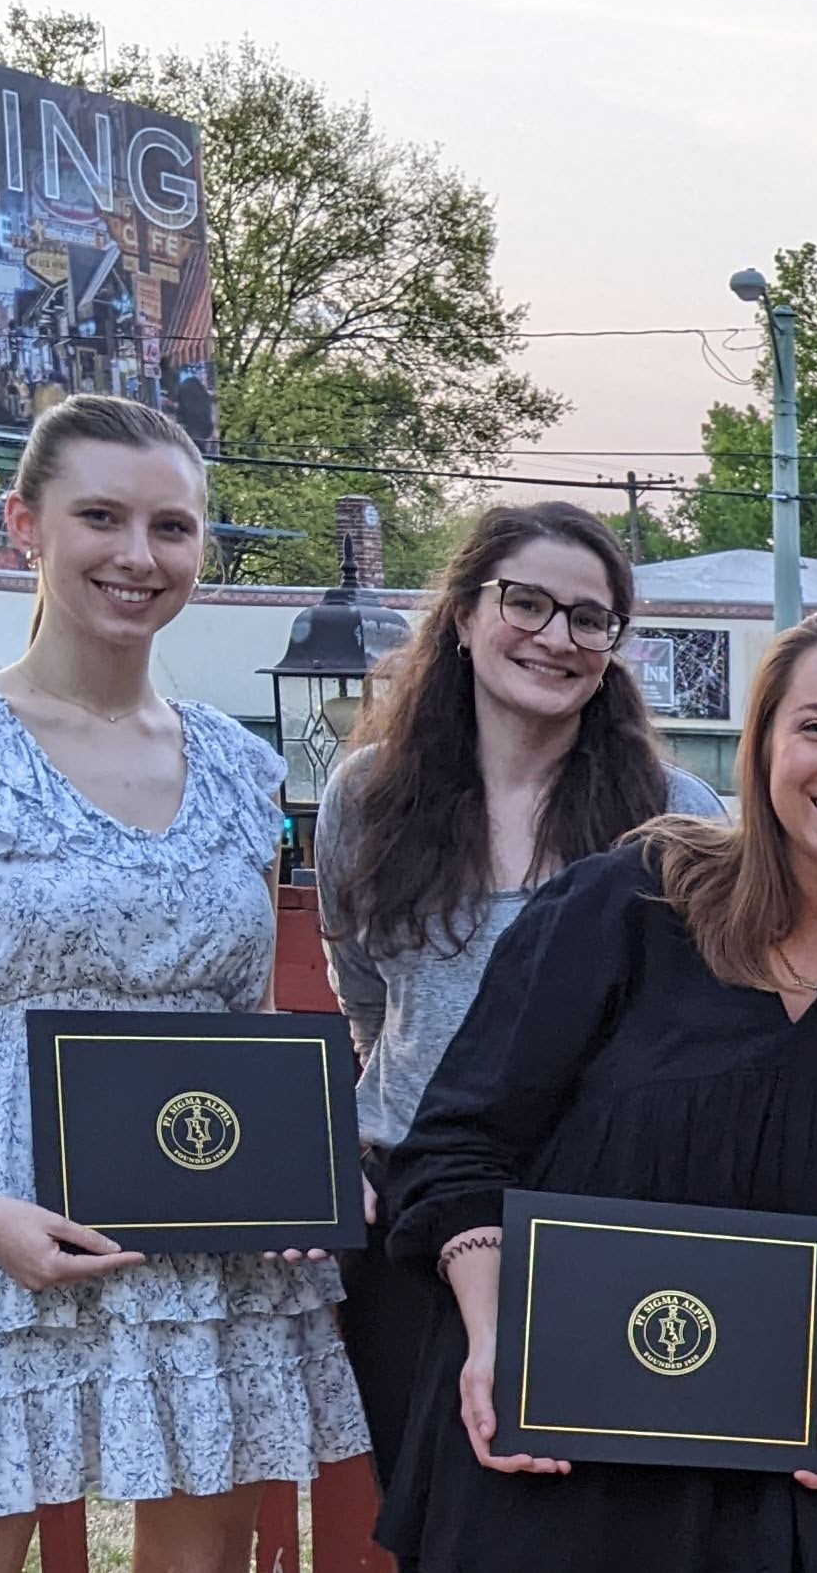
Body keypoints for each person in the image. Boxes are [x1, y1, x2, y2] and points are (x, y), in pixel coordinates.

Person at [0, 395, 365, 1572]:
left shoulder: (239, 763)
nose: (138, 556)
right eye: (100, 517)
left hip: (208, 1230)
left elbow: (247, 1016)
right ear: (26, 526)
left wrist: (295, 1187)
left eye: (173, 527)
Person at [374, 605, 817, 1573]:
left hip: (774, 1449)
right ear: (764, 745)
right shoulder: (632, 903)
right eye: (816, 727)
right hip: (557, 1435)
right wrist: (497, 1343)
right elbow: (459, 1149)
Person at [311, 501, 724, 1514]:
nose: (555, 637)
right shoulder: (366, 797)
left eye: (589, 618)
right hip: (410, 1230)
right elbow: (366, 994)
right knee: (436, 1522)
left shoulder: (676, 819)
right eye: (525, 603)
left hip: (599, 1234)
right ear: (462, 613)